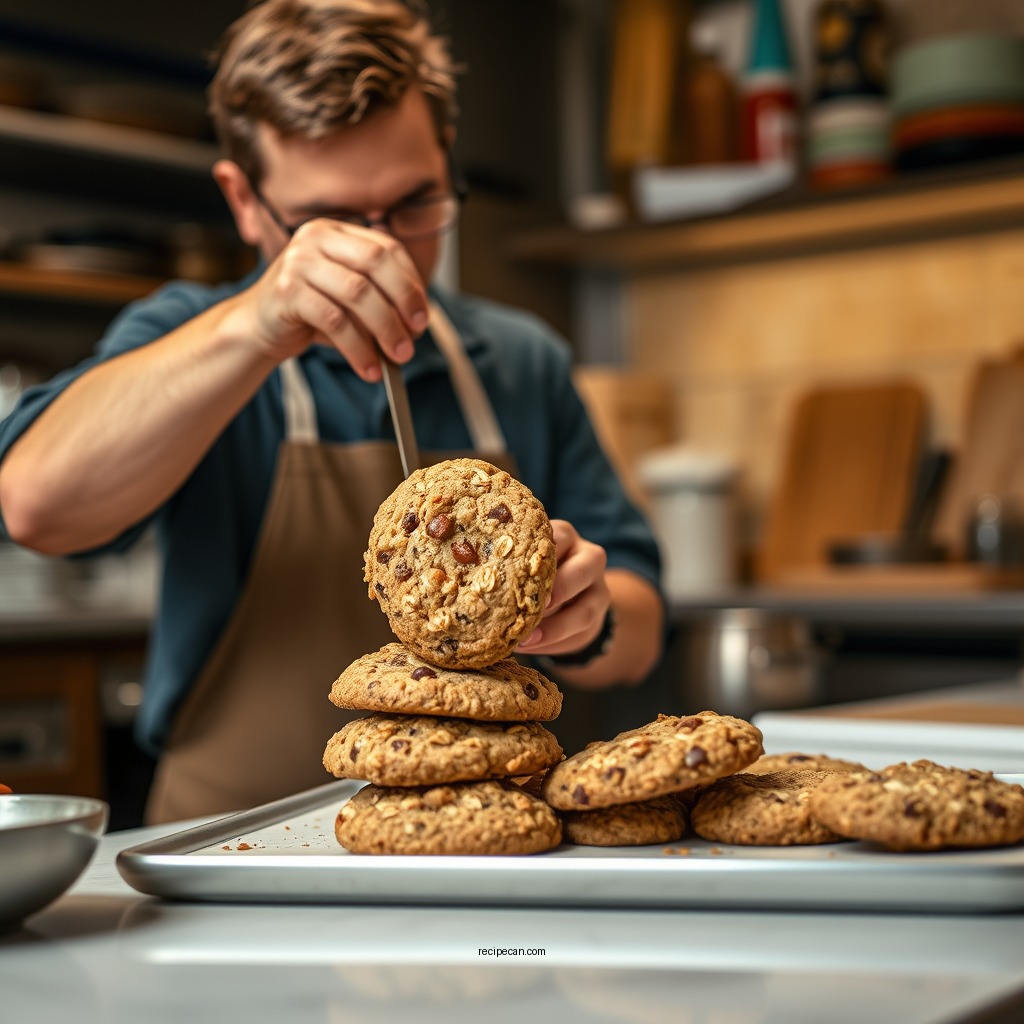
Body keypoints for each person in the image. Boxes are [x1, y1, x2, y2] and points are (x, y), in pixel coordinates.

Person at [0, 0, 664, 823]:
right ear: (245, 202)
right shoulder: (180, 340)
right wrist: (253, 327)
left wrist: (588, 616)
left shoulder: (520, 359)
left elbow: (640, 621)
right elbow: (35, 507)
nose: (383, 248)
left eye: (417, 202)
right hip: (232, 850)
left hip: (489, 842)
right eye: (333, 220)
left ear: (447, 158)